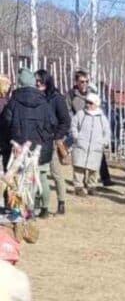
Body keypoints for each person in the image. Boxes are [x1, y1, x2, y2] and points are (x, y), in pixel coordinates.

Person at [0, 68, 58, 218]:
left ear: (20, 83)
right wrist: (41, 138)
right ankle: (29, 210)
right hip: (36, 149)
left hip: (16, 149)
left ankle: (16, 211)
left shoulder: (13, 102)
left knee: (16, 180)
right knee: (32, 179)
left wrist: (9, 142)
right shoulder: (44, 103)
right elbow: (52, 124)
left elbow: (5, 124)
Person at [35, 70, 72, 215]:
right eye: (36, 80)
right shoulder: (35, 96)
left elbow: (65, 121)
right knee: (40, 174)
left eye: (40, 80)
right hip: (38, 140)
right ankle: (41, 205)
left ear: (47, 81)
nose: (38, 83)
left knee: (56, 173)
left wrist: (57, 137)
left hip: (52, 141)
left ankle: (61, 202)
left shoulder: (57, 98)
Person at [70, 92, 110, 196]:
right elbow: (74, 125)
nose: (88, 105)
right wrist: (76, 137)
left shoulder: (101, 117)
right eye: (87, 102)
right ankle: (78, 187)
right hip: (81, 145)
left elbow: (107, 131)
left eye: (90, 103)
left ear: (96, 104)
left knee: (94, 168)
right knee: (79, 167)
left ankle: (92, 186)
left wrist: (104, 142)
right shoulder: (80, 114)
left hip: (96, 147)